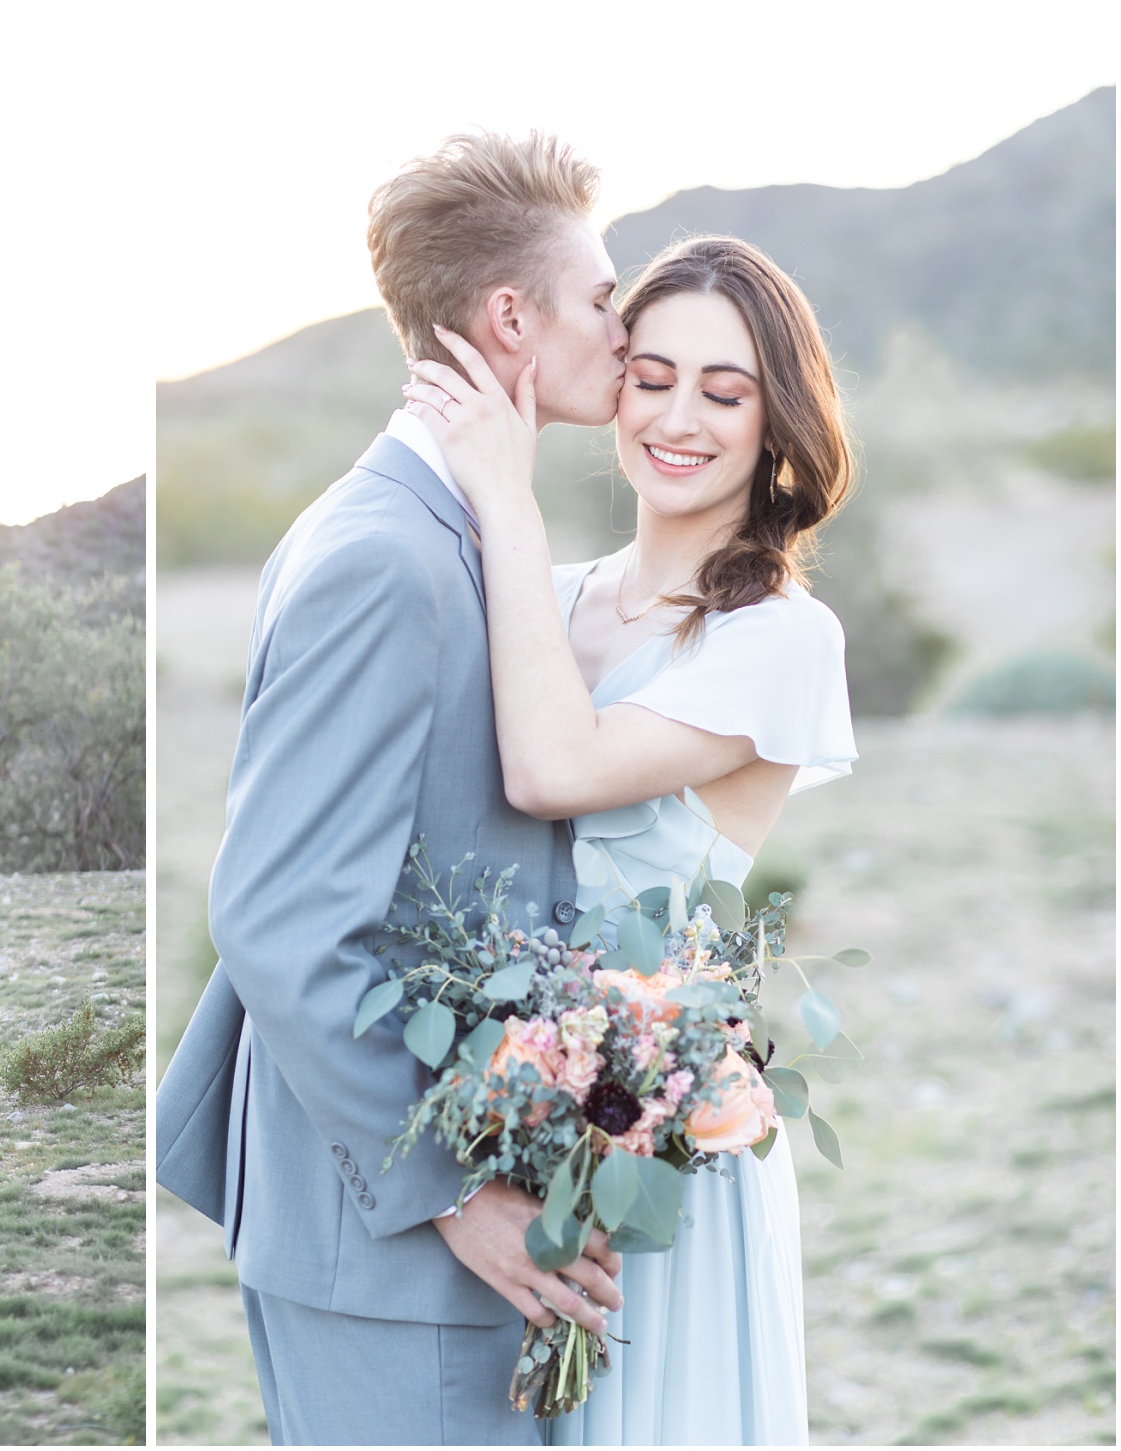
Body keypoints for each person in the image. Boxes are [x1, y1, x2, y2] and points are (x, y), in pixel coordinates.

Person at [155, 132, 632, 1445]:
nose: (624, 319)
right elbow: (278, 915)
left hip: (425, 1224)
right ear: (509, 317)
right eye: (602, 296)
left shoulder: (427, 526)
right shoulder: (387, 559)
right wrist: (454, 1194)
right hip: (389, 1243)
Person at [401, 233, 856, 1442]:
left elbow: (556, 770)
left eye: (725, 390)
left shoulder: (779, 635)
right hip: (514, 1134)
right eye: (652, 375)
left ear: (778, 422)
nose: (679, 417)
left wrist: (502, 486)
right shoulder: (549, 600)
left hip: (662, 1147)